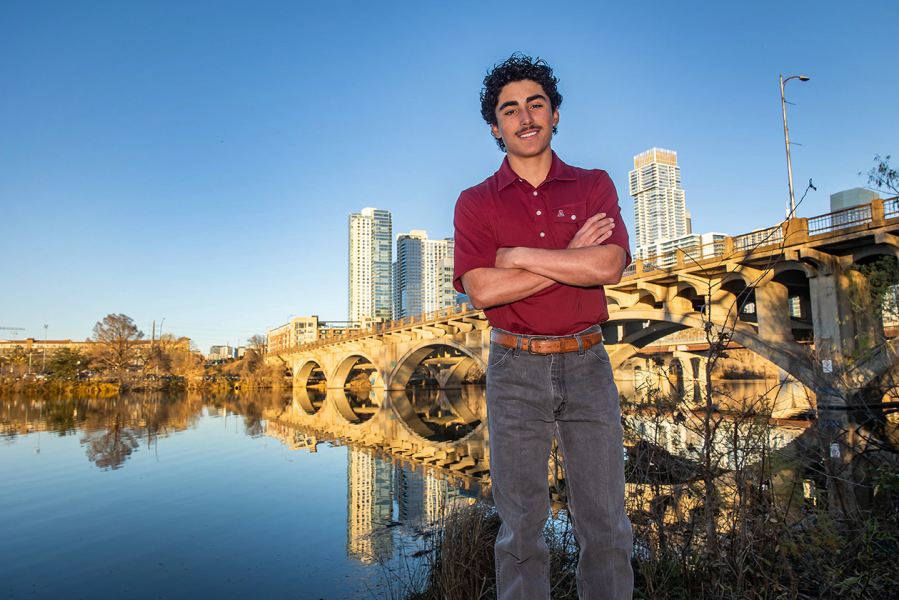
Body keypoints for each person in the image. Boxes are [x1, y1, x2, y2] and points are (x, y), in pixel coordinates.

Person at [452, 53, 634, 600]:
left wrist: (519, 257)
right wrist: (567, 256)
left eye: (536, 104)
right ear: (495, 126)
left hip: (587, 362)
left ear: (556, 115)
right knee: (522, 531)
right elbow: (482, 290)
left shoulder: (593, 184)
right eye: (511, 110)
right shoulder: (475, 201)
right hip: (513, 367)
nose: (525, 117)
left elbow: (607, 266)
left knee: (606, 527)